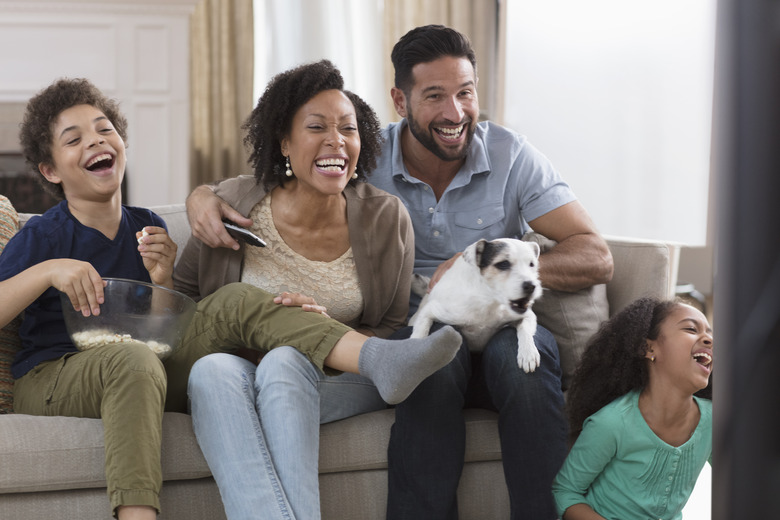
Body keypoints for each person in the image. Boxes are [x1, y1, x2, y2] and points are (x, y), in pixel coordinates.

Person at [184, 25, 614, 520]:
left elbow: (595, 256)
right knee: (427, 360)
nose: (455, 113)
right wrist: (200, 196)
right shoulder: (362, 156)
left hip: (502, 326)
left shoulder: (511, 156)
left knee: (523, 363)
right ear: (401, 101)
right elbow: (284, 175)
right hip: (419, 333)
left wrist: (488, 276)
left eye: (466, 93)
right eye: (434, 96)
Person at [0, 77, 459, 520]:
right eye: (74, 139)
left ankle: (378, 359)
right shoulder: (44, 234)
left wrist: (161, 279)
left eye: (105, 130)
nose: (96, 141)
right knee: (133, 360)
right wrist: (49, 271)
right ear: (50, 169)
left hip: (141, 365)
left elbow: (160, 332)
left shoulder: (147, 227)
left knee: (236, 299)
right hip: (53, 376)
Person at [178, 59, 464, 520]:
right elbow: (188, 300)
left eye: (348, 129)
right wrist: (266, 333)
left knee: (286, 361)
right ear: (284, 142)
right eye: (317, 127)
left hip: (340, 377)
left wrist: (317, 333)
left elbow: (391, 322)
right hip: (235, 365)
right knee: (211, 370)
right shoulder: (233, 203)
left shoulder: (385, 217)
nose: (336, 141)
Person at [552, 297, 713, 519]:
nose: (708, 339)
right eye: (691, 329)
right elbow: (565, 492)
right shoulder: (612, 423)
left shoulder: (715, 421)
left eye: (710, 333)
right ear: (648, 348)